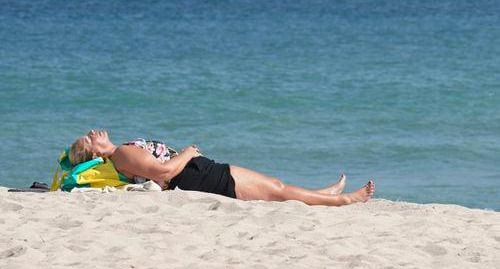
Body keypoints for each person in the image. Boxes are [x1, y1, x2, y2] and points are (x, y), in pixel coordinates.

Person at [69, 130, 375, 206]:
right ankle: (343, 200)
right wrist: (188, 153)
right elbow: (162, 173)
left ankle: (322, 193)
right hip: (197, 176)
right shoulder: (121, 154)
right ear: (94, 153)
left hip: (198, 174)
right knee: (276, 191)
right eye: (89, 137)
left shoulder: (122, 152)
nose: (95, 131)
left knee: (274, 188)